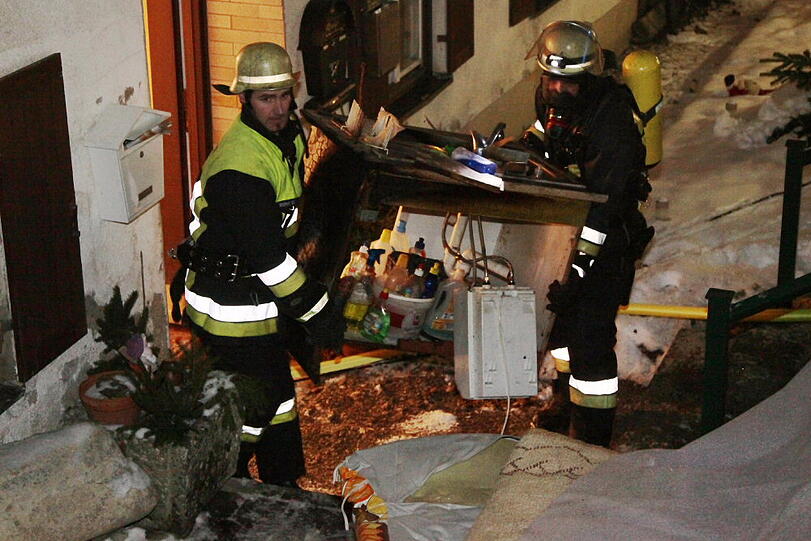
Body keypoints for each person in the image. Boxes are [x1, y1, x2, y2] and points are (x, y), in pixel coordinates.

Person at [175, 42, 344, 485]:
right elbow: (270, 260)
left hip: (261, 298)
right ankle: (223, 479)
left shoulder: (288, 136)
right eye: (267, 98)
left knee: (280, 397)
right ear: (244, 99)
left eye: (285, 95)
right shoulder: (240, 170)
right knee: (254, 401)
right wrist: (318, 310)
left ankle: (283, 479)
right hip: (228, 308)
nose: (280, 107)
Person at [521, 21, 655, 447]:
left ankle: (592, 438)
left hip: (605, 236)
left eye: (567, 83)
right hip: (565, 228)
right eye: (550, 79)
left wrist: (577, 271)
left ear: (587, 75)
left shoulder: (611, 117)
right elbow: (547, 133)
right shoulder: (549, 94)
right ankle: (563, 404)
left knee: (590, 343)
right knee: (559, 334)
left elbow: (605, 205)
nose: (556, 91)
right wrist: (522, 146)